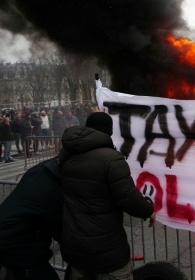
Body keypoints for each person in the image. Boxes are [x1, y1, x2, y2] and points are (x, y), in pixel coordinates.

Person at [59, 112, 156, 279]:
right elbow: (128, 197)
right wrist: (148, 211)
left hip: (74, 245)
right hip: (105, 249)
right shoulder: (111, 158)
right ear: (109, 131)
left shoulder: (67, 154)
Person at [0, 157, 63, 279]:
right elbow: (58, 226)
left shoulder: (40, 171)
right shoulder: (52, 186)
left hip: (8, 236)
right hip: (14, 244)